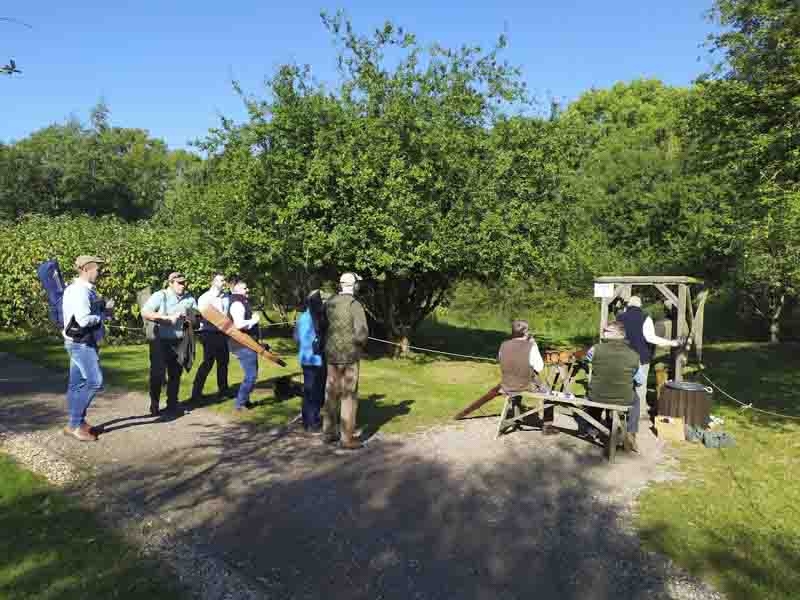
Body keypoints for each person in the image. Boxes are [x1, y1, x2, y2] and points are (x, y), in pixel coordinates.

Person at [61, 255, 114, 441]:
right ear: (86, 269)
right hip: (81, 343)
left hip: (76, 342)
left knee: (76, 384)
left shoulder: (77, 289)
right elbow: (83, 320)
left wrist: (101, 309)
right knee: (95, 381)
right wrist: (103, 316)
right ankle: (75, 425)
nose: (99, 272)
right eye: (97, 269)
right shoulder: (80, 291)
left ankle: (78, 422)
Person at [323, 272, 369, 450]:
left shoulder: (330, 302)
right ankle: (347, 438)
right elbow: (362, 333)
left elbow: (322, 326)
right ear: (354, 285)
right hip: (349, 356)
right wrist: (359, 345)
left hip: (331, 354)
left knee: (331, 393)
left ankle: (328, 433)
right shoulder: (354, 304)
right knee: (348, 395)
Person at [141, 272, 197, 417]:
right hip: (160, 341)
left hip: (180, 341)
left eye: (184, 282)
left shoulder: (190, 298)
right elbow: (145, 312)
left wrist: (191, 317)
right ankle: (154, 404)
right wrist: (165, 318)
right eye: (179, 283)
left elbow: (196, 317)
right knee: (158, 374)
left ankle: (172, 404)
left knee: (176, 373)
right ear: (170, 283)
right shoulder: (161, 295)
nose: (183, 285)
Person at [616, 295, 681, 420]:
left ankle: (621, 410)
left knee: (623, 384)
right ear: (640, 305)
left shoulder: (619, 317)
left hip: (622, 357)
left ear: (628, 305)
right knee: (640, 385)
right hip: (640, 357)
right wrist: (672, 343)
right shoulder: (645, 317)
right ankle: (640, 412)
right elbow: (651, 338)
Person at [585, 320, 644, 450]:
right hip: (623, 398)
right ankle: (631, 432)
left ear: (619, 334)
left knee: (593, 393)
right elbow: (640, 381)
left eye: (607, 331)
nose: (603, 333)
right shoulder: (634, 355)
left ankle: (592, 430)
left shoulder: (595, 349)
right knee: (636, 400)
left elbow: (588, 359)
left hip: (597, 395)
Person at [497, 319, 558, 435]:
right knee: (549, 393)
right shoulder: (530, 346)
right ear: (525, 332)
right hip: (525, 385)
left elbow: (501, 360)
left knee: (517, 392)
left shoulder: (503, 344)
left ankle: (516, 417)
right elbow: (539, 367)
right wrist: (534, 344)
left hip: (507, 384)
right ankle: (547, 427)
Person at [191, 273, 231, 402]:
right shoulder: (205, 298)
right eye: (221, 280)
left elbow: (228, 315)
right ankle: (196, 393)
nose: (224, 282)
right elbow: (201, 316)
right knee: (208, 363)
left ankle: (223, 391)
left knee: (223, 362)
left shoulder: (227, 297)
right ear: (213, 282)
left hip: (223, 333)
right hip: (209, 333)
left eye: (224, 280)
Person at [294, 290, 327, 432]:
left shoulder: (302, 317)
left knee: (308, 390)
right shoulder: (315, 318)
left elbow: (296, 337)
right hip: (315, 358)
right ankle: (312, 421)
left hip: (305, 357)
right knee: (315, 390)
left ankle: (307, 419)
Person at [227, 278, 261, 411]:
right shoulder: (237, 304)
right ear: (236, 290)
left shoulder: (241, 301)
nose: (248, 290)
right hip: (242, 344)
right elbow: (239, 324)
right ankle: (240, 403)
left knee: (252, 374)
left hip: (246, 343)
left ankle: (245, 401)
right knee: (251, 375)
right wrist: (254, 320)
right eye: (244, 288)